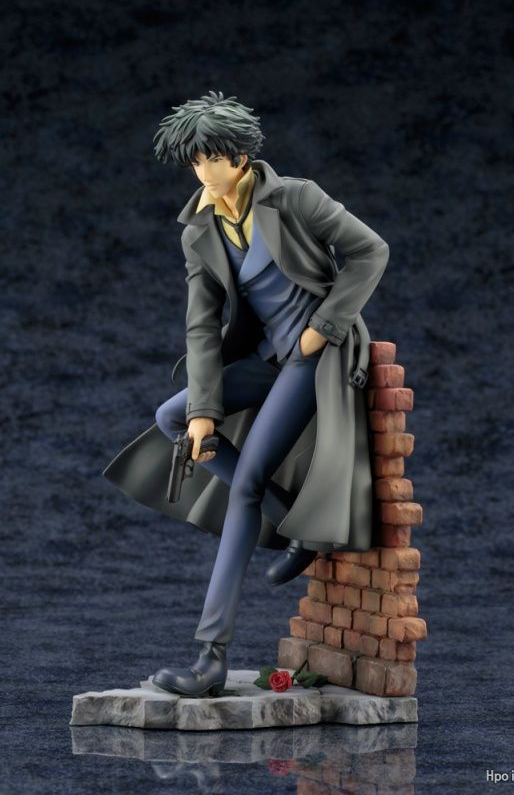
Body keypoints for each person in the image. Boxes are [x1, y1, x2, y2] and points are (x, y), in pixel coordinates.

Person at [103, 91, 389, 697]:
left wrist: (323, 327)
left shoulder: (296, 198)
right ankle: (291, 523)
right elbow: (202, 327)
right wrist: (204, 411)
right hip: (266, 356)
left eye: (209, 158)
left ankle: (211, 657)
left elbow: (370, 251)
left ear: (238, 156)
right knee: (173, 417)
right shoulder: (200, 229)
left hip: (317, 358)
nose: (200, 171)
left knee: (246, 484)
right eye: (192, 161)